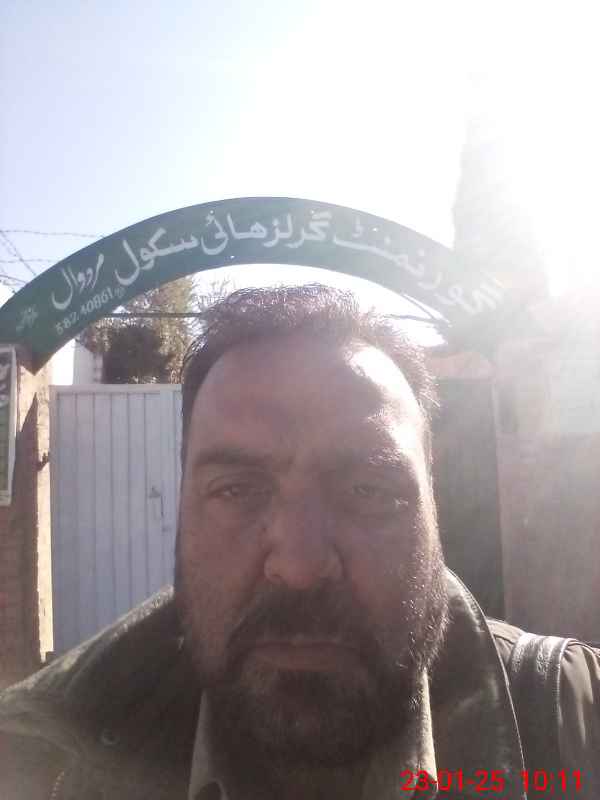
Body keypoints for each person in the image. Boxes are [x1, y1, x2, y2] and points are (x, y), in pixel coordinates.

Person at [0, 284, 598, 800]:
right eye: (237, 490)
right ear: (182, 507)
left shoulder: (576, 721)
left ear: (433, 506)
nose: (300, 565)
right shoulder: (34, 760)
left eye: (369, 489)